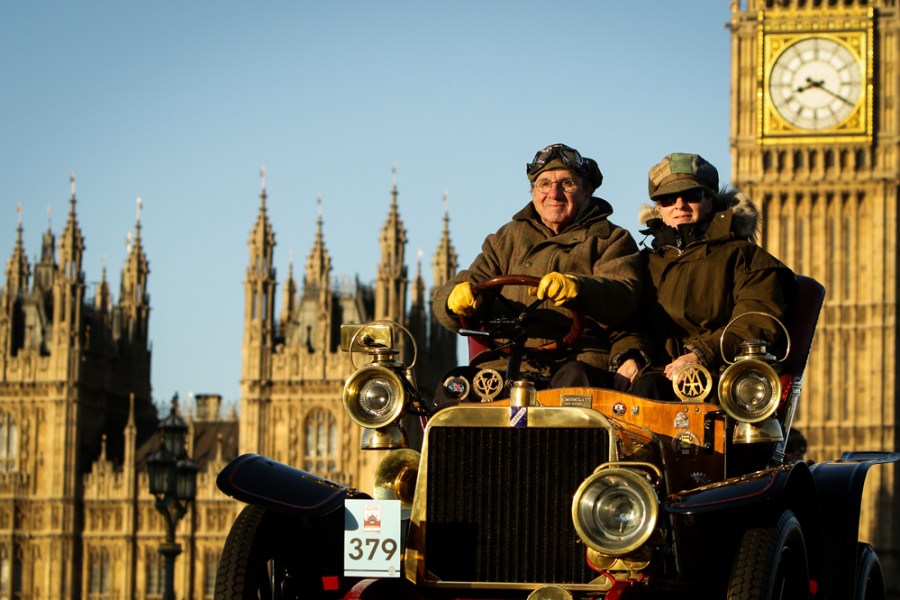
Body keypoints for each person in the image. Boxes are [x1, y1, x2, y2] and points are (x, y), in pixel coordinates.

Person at [432, 143, 642, 391]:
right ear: (533, 192)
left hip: (577, 361)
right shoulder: (507, 238)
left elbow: (624, 295)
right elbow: (472, 280)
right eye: (544, 184)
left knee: (574, 386)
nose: (554, 194)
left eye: (567, 184)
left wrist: (581, 288)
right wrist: (453, 298)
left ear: (587, 191)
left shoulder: (611, 239)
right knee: (453, 391)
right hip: (505, 363)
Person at [613, 152, 798, 399]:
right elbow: (631, 323)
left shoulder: (746, 257)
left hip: (722, 378)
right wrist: (631, 355)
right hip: (657, 376)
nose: (679, 205)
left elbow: (756, 321)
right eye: (668, 199)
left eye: (691, 195)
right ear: (658, 208)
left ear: (711, 200)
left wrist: (701, 354)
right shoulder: (643, 263)